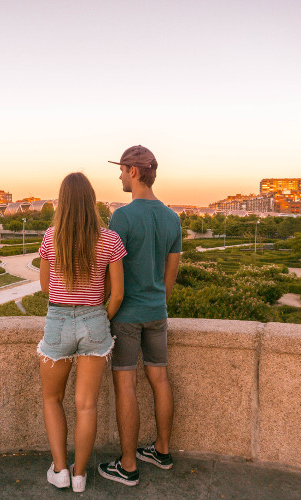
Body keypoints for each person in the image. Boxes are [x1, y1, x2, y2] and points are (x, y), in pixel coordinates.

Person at [98, 145, 182, 486]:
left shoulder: (122, 217)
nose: (118, 175)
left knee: (126, 385)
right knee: (160, 379)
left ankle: (128, 465)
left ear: (134, 171)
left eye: (121, 169)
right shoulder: (172, 217)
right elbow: (171, 273)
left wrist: (104, 310)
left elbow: (109, 272)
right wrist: (157, 302)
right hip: (157, 312)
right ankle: (161, 451)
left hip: (127, 315)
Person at [38, 172, 127, 493]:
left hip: (58, 320)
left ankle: (60, 469)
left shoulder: (51, 238)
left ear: (62, 202)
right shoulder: (110, 239)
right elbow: (117, 294)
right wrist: (99, 316)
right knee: (86, 405)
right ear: (92, 201)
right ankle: (79, 477)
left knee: (52, 398)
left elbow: (47, 287)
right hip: (95, 321)